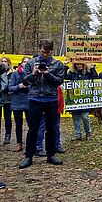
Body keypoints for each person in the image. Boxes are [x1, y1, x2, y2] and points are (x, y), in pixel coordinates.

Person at [19, 39, 65, 169]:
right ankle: (29, 156)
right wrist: (34, 74)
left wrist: (47, 74)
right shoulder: (32, 63)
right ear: (39, 49)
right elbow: (25, 81)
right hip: (34, 99)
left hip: (50, 99)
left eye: (47, 52)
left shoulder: (57, 64)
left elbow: (59, 81)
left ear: (51, 51)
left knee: (51, 128)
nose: (44, 54)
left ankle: (51, 155)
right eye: (42, 52)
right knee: (33, 128)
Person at [65, 62, 98, 140]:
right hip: (74, 99)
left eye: (81, 64)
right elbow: (64, 77)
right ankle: (78, 134)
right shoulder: (72, 73)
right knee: (75, 117)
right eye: (77, 64)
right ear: (75, 65)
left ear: (84, 64)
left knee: (85, 117)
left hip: (84, 99)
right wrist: (65, 67)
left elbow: (96, 78)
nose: (79, 65)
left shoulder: (88, 72)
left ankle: (88, 132)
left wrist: (92, 68)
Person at [8, 57, 31, 152]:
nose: (26, 63)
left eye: (28, 62)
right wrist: (19, 86)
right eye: (24, 62)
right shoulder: (15, 74)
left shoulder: (32, 75)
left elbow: (36, 87)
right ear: (21, 63)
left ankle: (30, 144)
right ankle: (19, 143)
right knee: (18, 124)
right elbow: (10, 88)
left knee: (31, 124)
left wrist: (28, 86)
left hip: (29, 101)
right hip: (17, 102)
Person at [1, 57, 14, 144]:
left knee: (7, 118)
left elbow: (10, 86)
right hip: (0, 97)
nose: (4, 62)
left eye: (5, 61)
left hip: (8, 99)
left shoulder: (12, 73)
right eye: (2, 61)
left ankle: (8, 135)